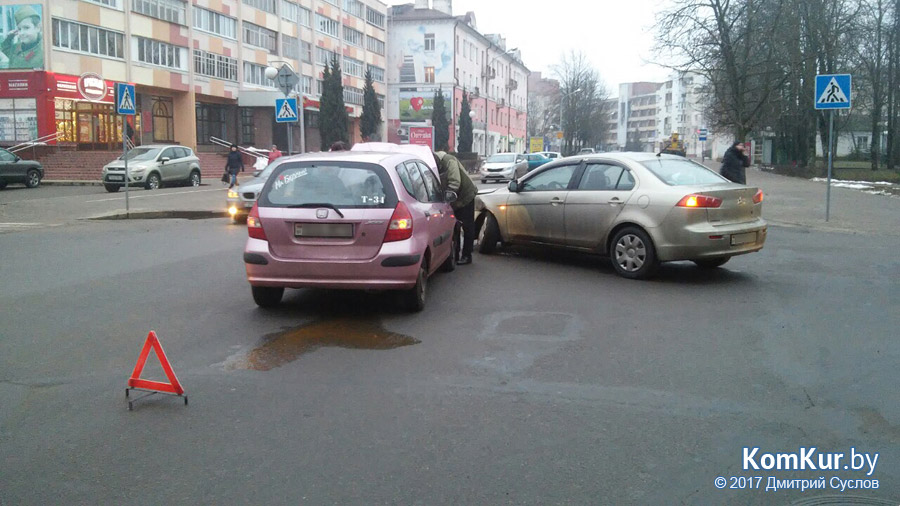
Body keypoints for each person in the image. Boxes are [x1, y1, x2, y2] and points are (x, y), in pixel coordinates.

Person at [434, 145, 477, 265]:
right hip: (454, 199)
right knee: (455, 226)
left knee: (467, 226)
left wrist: (447, 199)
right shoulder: (436, 164)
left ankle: (467, 255)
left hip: (465, 195)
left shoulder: (449, 160)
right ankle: (456, 254)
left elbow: (454, 182)